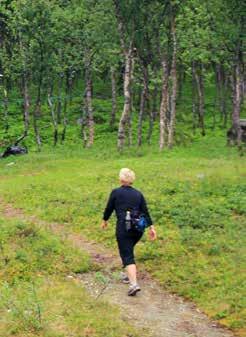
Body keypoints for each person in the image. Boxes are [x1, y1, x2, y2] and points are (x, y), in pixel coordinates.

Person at [101, 168, 157, 296]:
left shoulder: (116, 192)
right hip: (138, 229)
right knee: (128, 250)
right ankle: (128, 275)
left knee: (127, 255)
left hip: (124, 227)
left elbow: (109, 208)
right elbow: (145, 211)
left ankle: (134, 284)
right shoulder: (138, 194)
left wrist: (104, 220)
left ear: (121, 179)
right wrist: (151, 227)